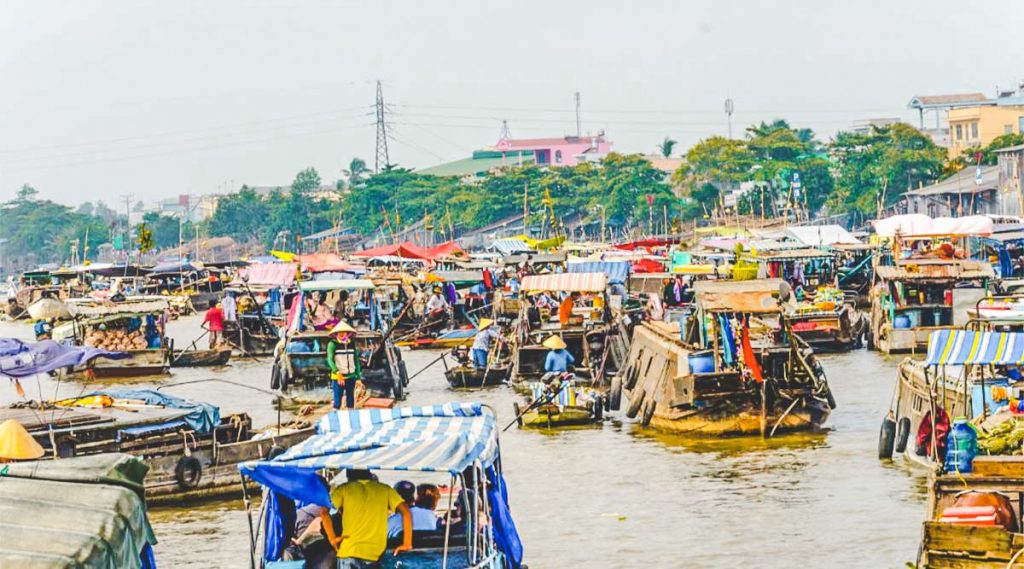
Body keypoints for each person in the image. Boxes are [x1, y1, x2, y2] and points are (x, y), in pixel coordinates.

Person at [322, 469, 412, 568]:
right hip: (374, 554)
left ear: (349, 475)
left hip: (349, 552)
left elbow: (324, 512)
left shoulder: (343, 489)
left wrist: (332, 539)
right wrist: (407, 543)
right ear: (369, 473)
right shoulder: (385, 489)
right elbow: (406, 511)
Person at [327, 321, 362, 410]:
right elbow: (330, 360)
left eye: (344, 332)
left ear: (347, 333)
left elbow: (356, 361)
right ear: (336, 333)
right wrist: (337, 373)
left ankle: (350, 417)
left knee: (350, 400)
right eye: (340, 332)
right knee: (337, 401)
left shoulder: (351, 344)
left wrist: (358, 377)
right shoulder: (332, 344)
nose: (342, 334)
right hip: (338, 377)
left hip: (351, 376)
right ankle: (336, 418)